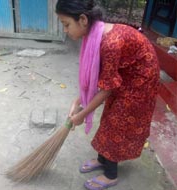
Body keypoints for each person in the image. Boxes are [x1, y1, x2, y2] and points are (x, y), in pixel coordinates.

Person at [56, 0, 160, 189]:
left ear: (82, 19)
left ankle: (111, 175)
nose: (65, 31)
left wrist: (82, 114)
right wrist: (78, 100)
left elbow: (106, 88)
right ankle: (103, 160)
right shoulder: (94, 34)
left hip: (141, 78)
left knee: (117, 123)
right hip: (126, 71)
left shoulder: (109, 43)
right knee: (109, 115)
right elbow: (97, 77)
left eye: (66, 24)